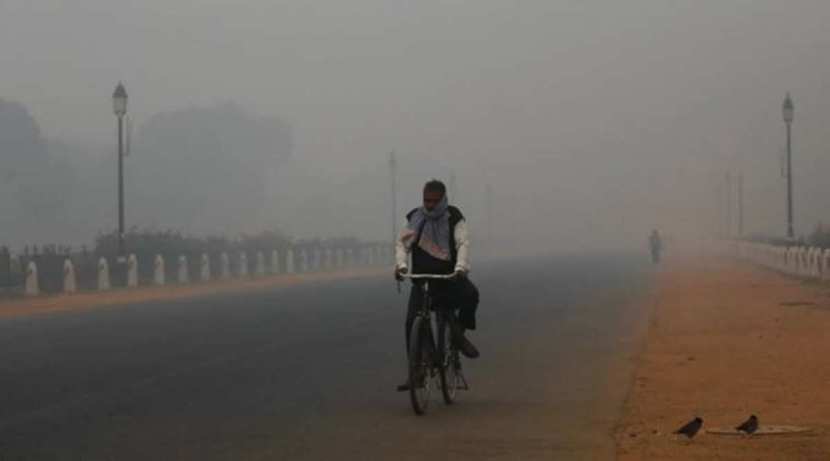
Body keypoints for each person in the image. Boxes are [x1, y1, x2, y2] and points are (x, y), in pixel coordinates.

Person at [395, 179, 480, 392]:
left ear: (443, 199)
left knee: (471, 295)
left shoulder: (454, 217)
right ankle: (417, 372)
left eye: (434, 201)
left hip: (448, 278)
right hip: (422, 280)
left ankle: (459, 334)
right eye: (426, 201)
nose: (430, 205)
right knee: (411, 321)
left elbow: (463, 243)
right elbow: (402, 245)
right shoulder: (415, 218)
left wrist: (460, 267)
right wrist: (401, 265)